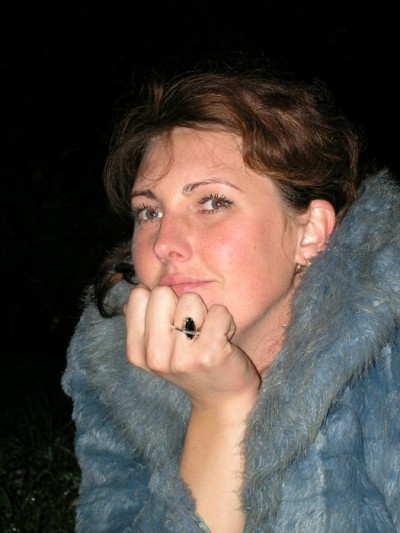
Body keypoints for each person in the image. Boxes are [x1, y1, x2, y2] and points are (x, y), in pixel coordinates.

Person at [62, 62, 400, 532]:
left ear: (309, 233)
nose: (164, 244)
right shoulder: (118, 370)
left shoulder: (385, 353)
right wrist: (219, 410)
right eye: (149, 211)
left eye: (213, 202)